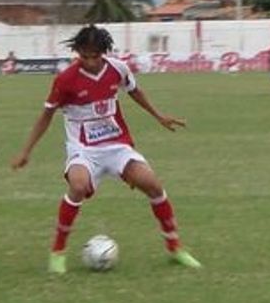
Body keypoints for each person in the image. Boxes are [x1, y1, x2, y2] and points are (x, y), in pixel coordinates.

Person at [10, 25, 202, 274]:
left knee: (153, 184)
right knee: (78, 187)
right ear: (77, 52)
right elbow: (45, 116)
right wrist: (26, 151)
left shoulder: (117, 69)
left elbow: (135, 91)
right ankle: (57, 253)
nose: (90, 61)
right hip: (83, 150)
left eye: (95, 56)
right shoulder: (66, 79)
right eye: (84, 56)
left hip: (117, 145)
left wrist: (159, 115)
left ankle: (175, 248)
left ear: (104, 52)